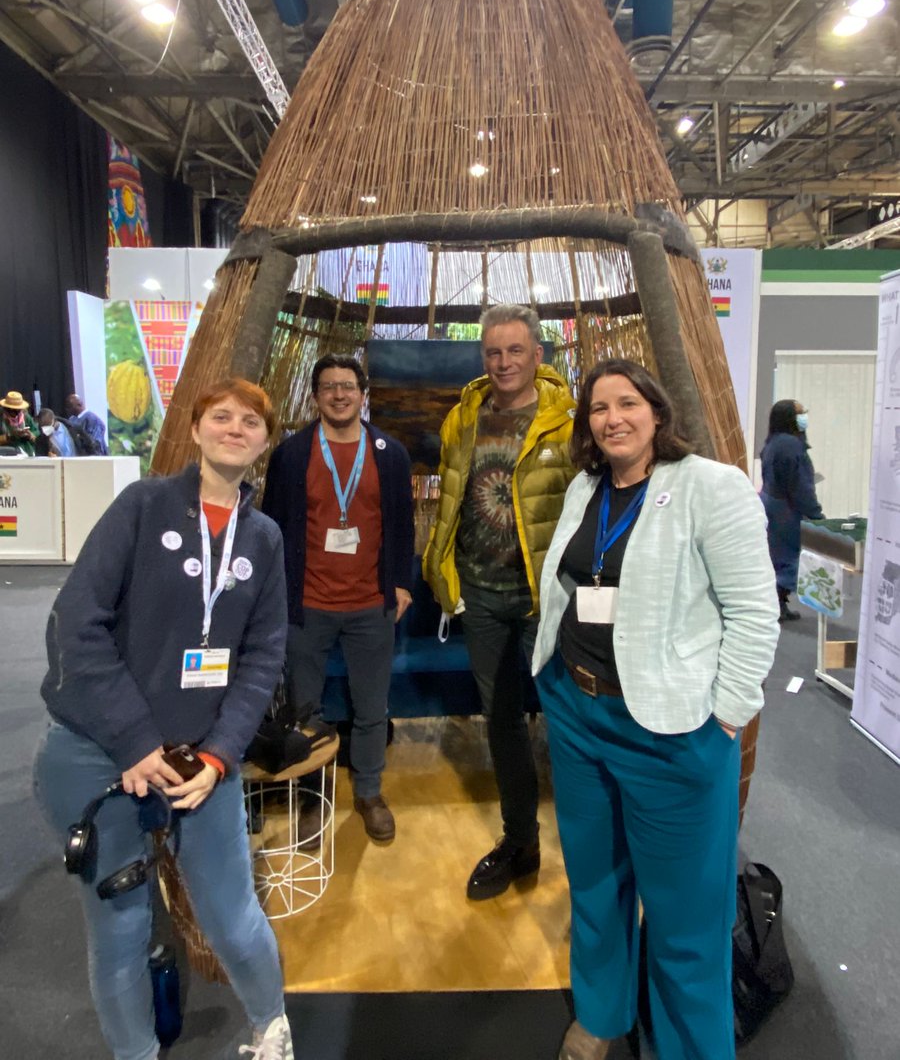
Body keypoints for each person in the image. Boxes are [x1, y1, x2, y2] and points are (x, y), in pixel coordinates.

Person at [33, 377, 294, 1060]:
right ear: (198, 428)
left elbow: (264, 656)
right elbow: (77, 627)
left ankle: (272, 1030)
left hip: (200, 763)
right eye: (222, 416)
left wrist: (218, 756)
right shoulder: (143, 507)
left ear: (265, 443)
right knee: (118, 928)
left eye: (251, 422)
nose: (235, 428)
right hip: (102, 753)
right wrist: (135, 741)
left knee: (234, 920)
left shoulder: (263, 539)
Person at [532, 358, 780, 1060]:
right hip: (579, 717)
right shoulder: (587, 488)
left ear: (657, 412)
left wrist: (726, 717)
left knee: (685, 919)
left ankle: (691, 1048)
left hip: (672, 735)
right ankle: (603, 1016)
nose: (613, 418)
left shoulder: (710, 487)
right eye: (599, 408)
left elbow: (756, 614)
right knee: (597, 886)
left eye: (627, 403)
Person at [423, 303, 576, 899]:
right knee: (504, 722)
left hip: (548, 600)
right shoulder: (464, 417)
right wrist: (444, 574)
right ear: (482, 356)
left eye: (516, 350)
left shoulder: (566, 420)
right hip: (481, 595)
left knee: (568, 719)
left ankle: (593, 850)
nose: (505, 362)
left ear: (538, 355)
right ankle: (521, 841)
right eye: (493, 352)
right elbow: (451, 495)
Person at [261, 353, 414, 843]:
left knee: (372, 709)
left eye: (348, 385)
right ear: (315, 395)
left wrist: (402, 584)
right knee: (304, 711)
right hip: (306, 605)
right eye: (329, 386)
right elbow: (272, 528)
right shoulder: (291, 455)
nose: (340, 394)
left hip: (371, 604)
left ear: (362, 392)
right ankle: (312, 796)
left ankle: (368, 792)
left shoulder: (390, 453)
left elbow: (402, 525)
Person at [760, 399, 824, 622]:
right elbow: (800, 485)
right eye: (800, 412)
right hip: (785, 510)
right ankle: (777, 602)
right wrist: (815, 514)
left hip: (771, 504)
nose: (804, 415)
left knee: (776, 557)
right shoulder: (791, 446)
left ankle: (778, 604)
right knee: (789, 558)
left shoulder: (774, 442)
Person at [0, 390, 38, 455]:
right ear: (7, 409)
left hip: (27, 451)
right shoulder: (1, 418)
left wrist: (30, 435)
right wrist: (10, 436)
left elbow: (36, 432)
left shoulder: (26, 417)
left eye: (19, 410)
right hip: (7, 453)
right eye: (14, 411)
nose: (16, 414)